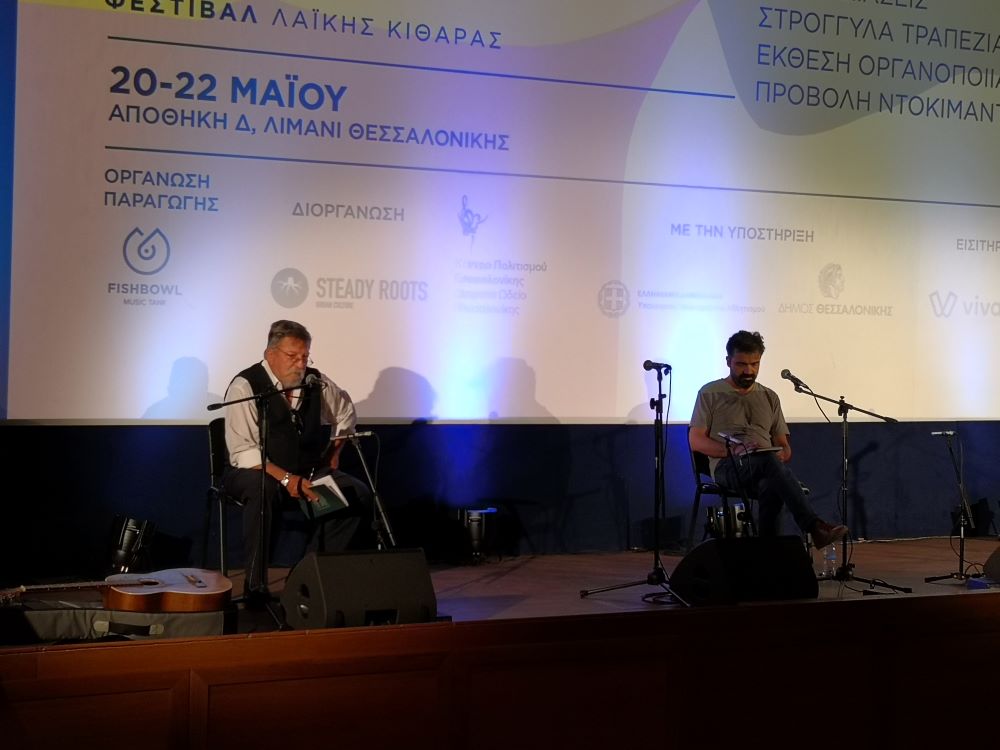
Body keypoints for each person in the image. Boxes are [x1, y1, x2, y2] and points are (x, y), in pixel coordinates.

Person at [222, 319, 371, 602]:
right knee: (262, 490)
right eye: (293, 356)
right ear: (271, 354)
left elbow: (345, 413)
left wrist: (334, 453)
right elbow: (243, 451)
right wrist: (287, 479)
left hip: (305, 470)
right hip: (252, 472)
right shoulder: (246, 385)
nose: (300, 364)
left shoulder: (315, 382)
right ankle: (255, 586)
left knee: (356, 495)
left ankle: (307, 576)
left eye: (305, 357)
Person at [689, 330, 847, 549]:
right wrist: (732, 450)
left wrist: (780, 453)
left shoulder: (769, 396)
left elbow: (784, 447)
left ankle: (767, 554)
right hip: (729, 466)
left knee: (771, 482)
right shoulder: (709, 393)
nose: (749, 371)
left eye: (754, 364)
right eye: (741, 364)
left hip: (765, 465)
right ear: (728, 361)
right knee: (769, 466)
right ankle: (813, 527)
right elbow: (696, 441)